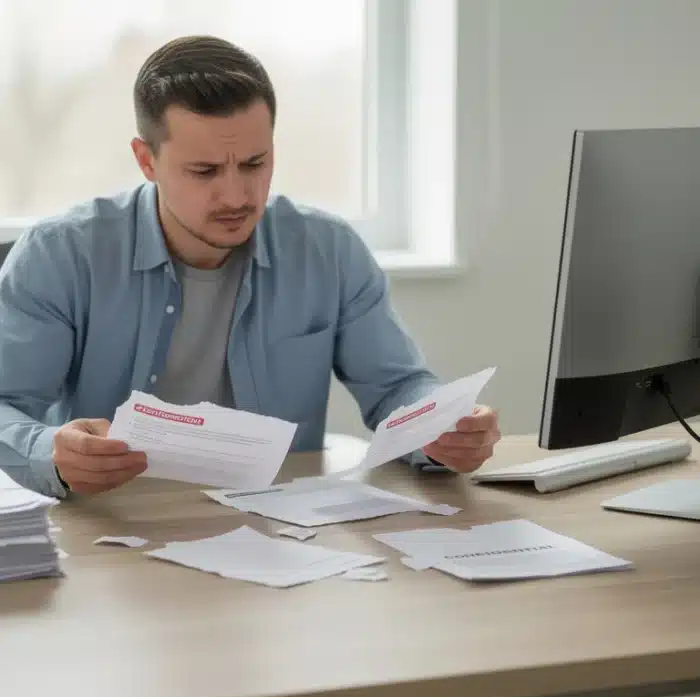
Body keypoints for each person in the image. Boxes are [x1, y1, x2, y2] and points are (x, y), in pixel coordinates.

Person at [0, 35, 501, 498]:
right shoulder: (60, 253)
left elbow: (397, 388)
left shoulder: (328, 250)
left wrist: (441, 427)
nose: (237, 196)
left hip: (280, 534)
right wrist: (53, 453)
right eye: (205, 171)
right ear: (146, 160)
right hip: (113, 530)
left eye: (255, 164)